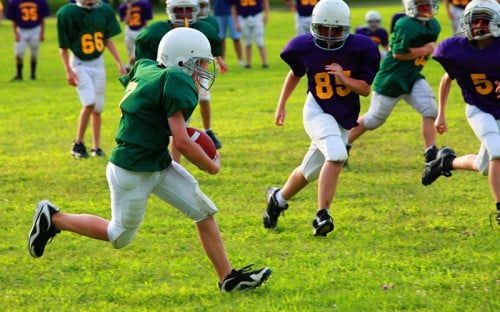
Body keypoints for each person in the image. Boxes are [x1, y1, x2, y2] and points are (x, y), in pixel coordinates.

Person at [27, 27, 272, 292]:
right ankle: (54, 218)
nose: (202, 69)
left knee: (203, 211)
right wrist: (210, 164)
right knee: (119, 236)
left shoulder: (149, 69)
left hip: (156, 160)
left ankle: (228, 278)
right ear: (182, 61)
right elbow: (180, 140)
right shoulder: (175, 81)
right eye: (199, 63)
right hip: (131, 169)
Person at [263, 0, 380, 236]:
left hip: (343, 115)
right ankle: (322, 214)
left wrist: (343, 78)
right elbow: (296, 73)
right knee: (337, 155)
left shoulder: (361, 47)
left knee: (310, 170)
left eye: (335, 30)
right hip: (317, 109)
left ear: (346, 28)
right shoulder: (303, 46)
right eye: (323, 29)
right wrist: (282, 104)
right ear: (314, 26)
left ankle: (278, 199)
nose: (327, 36)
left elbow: (365, 89)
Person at [423, 0, 500, 225]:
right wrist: (441, 113)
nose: (478, 25)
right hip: (478, 108)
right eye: (473, 20)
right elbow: (448, 78)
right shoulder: (456, 48)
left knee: (484, 166)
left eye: (483, 20)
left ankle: (446, 162)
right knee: (497, 151)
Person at [347, 0, 441, 169]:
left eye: (428, 4)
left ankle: (431, 153)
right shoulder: (406, 24)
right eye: (421, 5)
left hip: (412, 76)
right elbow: (398, 53)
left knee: (431, 110)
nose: (426, 9)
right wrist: (425, 50)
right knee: (373, 120)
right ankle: (343, 143)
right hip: (392, 79)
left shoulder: (434, 25)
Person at [135, 0, 226, 152]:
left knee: (202, 98)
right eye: (179, 10)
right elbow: (144, 62)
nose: (184, 14)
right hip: (167, 76)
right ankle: (170, 157)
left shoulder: (204, 28)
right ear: (170, 10)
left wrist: (198, 79)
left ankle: (207, 130)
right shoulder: (155, 32)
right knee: (175, 121)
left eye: (188, 9)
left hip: (194, 71)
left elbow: (207, 54)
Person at [57, 0, 126, 158]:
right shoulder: (68, 13)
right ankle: (78, 143)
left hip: (98, 63)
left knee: (98, 109)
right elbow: (63, 48)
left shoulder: (103, 10)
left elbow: (107, 39)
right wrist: (68, 70)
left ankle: (96, 147)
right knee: (89, 103)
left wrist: (120, 63)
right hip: (79, 63)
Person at [6, 0, 50, 81]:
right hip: (21, 29)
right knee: (19, 53)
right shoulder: (15, 2)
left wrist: (42, 33)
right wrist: (15, 33)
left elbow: (42, 18)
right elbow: (14, 19)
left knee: (34, 53)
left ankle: (33, 75)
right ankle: (19, 75)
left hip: (35, 29)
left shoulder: (40, 2)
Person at [231, 0, 270, 68]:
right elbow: (233, 6)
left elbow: (265, 1)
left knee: (260, 41)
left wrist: (266, 15)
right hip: (243, 17)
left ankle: (264, 63)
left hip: (256, 16)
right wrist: (236, 22)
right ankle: (248, 63)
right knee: (247, 42)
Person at [118, 0, 153, 72]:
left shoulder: (143, 4)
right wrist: (129, 9)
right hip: (129, 30)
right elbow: (126, 21)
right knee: (130, 52)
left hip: (140, 29)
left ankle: (127, 66)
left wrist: (145, 31)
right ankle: (134, 68)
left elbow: (146, 20)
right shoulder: (123, 6)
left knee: (135, 53)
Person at [213, 0, 244, 66]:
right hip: (218, 12)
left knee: (236, 37)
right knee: (220, 39)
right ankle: (221, 61)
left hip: (232, 13)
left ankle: (240, 60)